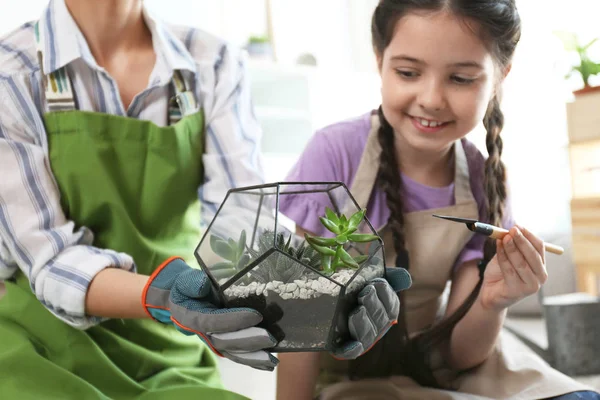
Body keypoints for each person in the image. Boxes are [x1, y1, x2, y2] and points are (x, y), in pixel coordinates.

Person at [0, 1, 408, 398]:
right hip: (39, 349)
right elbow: (49, 257)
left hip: (173, 349)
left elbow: (241, 230)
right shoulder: (12, 72)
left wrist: (325, 303)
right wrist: (164, 295)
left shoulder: (210, 63)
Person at [275, 1, 600, 399]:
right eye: (408, 72)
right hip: (351, 372)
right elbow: (302, 317)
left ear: (499, 77)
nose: (431, 99)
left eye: (461, 78)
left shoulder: (485, 178)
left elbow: (458, 354)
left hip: (442, 364)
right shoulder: (335, 153)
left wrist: (494, 302)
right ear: (380, 60)